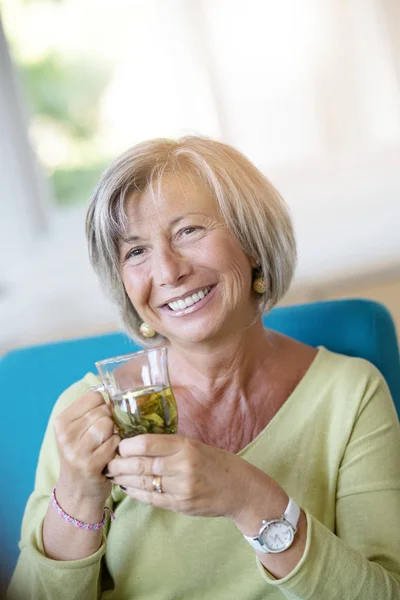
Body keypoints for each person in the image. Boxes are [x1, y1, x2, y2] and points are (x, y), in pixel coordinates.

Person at [8, 136, 400, 600]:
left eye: (188, 231)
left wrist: (247, 499)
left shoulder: (350, 395)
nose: (169, 272)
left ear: (253, 242)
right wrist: (76, 495)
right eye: (136, 252)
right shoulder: (93, 410)